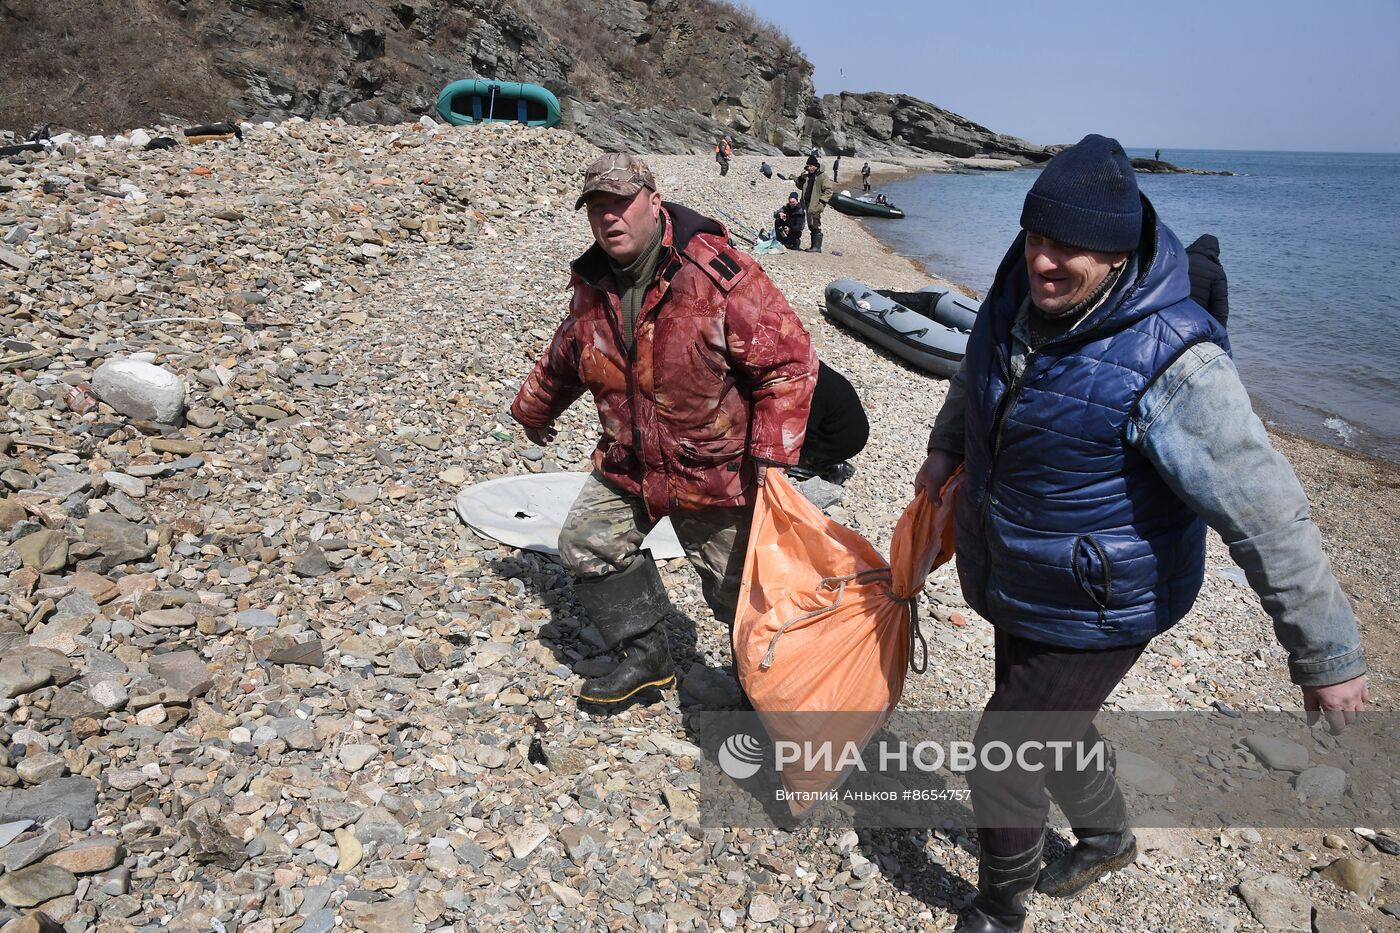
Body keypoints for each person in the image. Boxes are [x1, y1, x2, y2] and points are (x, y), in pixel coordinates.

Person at [913, 135, 1367, 933]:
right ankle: (1107, 837)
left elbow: (1267, 511)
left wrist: (1326, 654)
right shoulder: (1020, 283)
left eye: (1070, 248)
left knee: (1004, 753)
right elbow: (981, 370)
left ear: (1120, 256)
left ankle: (998, 907)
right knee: (1052, 728)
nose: (1046, 260)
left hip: (1104, 596)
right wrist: (944, 449)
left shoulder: (1176, 361)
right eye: (1038, 237)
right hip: (1021, 567)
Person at [512, 152, 817, 705]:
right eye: (597, 208)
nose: (609, 219)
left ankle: (770, 696)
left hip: (715, 471)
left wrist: (772, 458)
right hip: (630, 462)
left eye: (621, 205)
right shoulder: (594, 282)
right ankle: (646, 657)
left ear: (654, 203)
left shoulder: (718, 275)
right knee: (586, 543)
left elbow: (789, 365)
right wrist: (534, 409)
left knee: (740, 593)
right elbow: (569, 354)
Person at [791, 361, 868, 484]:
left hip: (841, 442)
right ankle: (819, 461)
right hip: (844, 429)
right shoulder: (811, 366)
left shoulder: (812, 383)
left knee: (782, 458)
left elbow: (806, 428)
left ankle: (823, 465)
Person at [1185, 233, 1229, 326]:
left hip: (1170, 316)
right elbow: (1220, 311)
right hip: (1197, 324)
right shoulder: (1217, 272)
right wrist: (1220, 337)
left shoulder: (1180, 259)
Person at [795, 155, 834, 253]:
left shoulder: (822, 176)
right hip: (807, 203)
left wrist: (821, 203)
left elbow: (828, 191)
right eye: (808, 166)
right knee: (811, 224)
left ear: (816, 166)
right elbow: (800, 187)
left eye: (811, 166)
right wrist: (800, 179)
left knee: (815, 223)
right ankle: (814, 246)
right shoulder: (807, 176)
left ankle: (817, 247)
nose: (809, 168)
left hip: (816, 203)